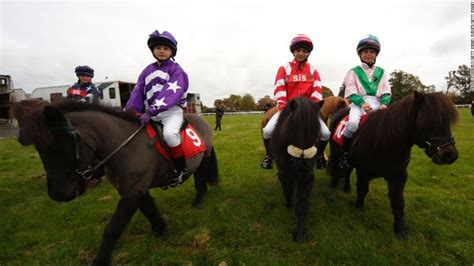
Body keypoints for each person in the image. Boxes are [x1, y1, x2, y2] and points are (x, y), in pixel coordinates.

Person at [125, 30, 189, 185]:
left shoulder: (176, 70)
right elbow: (138, 92)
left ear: (172, 52)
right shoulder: (146, 71)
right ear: (153, 50)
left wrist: (150, 111)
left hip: (170, 112)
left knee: (169, 135)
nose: (162, 51)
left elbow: (169, 94)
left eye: (166, 48)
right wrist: (129, 113)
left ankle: (182, 169)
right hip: (150, 112)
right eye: (158, 48)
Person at [261, 34, 331, 169]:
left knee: (326, 133)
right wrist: (282, 106)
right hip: (288, 109)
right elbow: (279, 87)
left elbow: (317, 90)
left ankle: (320, 155)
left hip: (308, 110)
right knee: (267, 131)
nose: (301, 53)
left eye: (304, 51)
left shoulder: (312, 69)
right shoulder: (284, 68)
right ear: (293, 51)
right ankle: (269, 156)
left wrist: (313, 108)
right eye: (298, 50)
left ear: (308, 53)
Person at [341, 34, 391, 167]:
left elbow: (386, 90)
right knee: (352, 123)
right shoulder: (353, 72)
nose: (369, 54)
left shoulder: (382, 72)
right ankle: (345, 154)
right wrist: (362, 103)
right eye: (365, 51)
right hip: (359, 103)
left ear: (376, 54)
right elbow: (351, 90)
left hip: (377, 103)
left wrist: (384, 104)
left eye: (372, 52)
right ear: (360, 54)